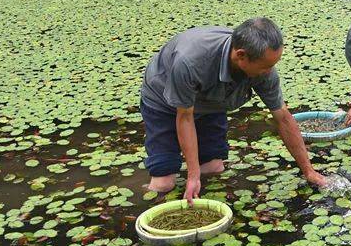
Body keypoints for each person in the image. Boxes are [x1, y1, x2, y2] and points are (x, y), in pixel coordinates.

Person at [139, 17, 326, 199]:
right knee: (165, 183)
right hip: (165, 101)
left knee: (213, 169)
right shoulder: (190, 62)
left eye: (273, 64)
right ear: (241, 55)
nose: (270, 72)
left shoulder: (263, 68)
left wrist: (309, 171)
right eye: (266, 66)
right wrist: (192, 175)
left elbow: (282, 117)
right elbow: (185, 117)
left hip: (212, 101)